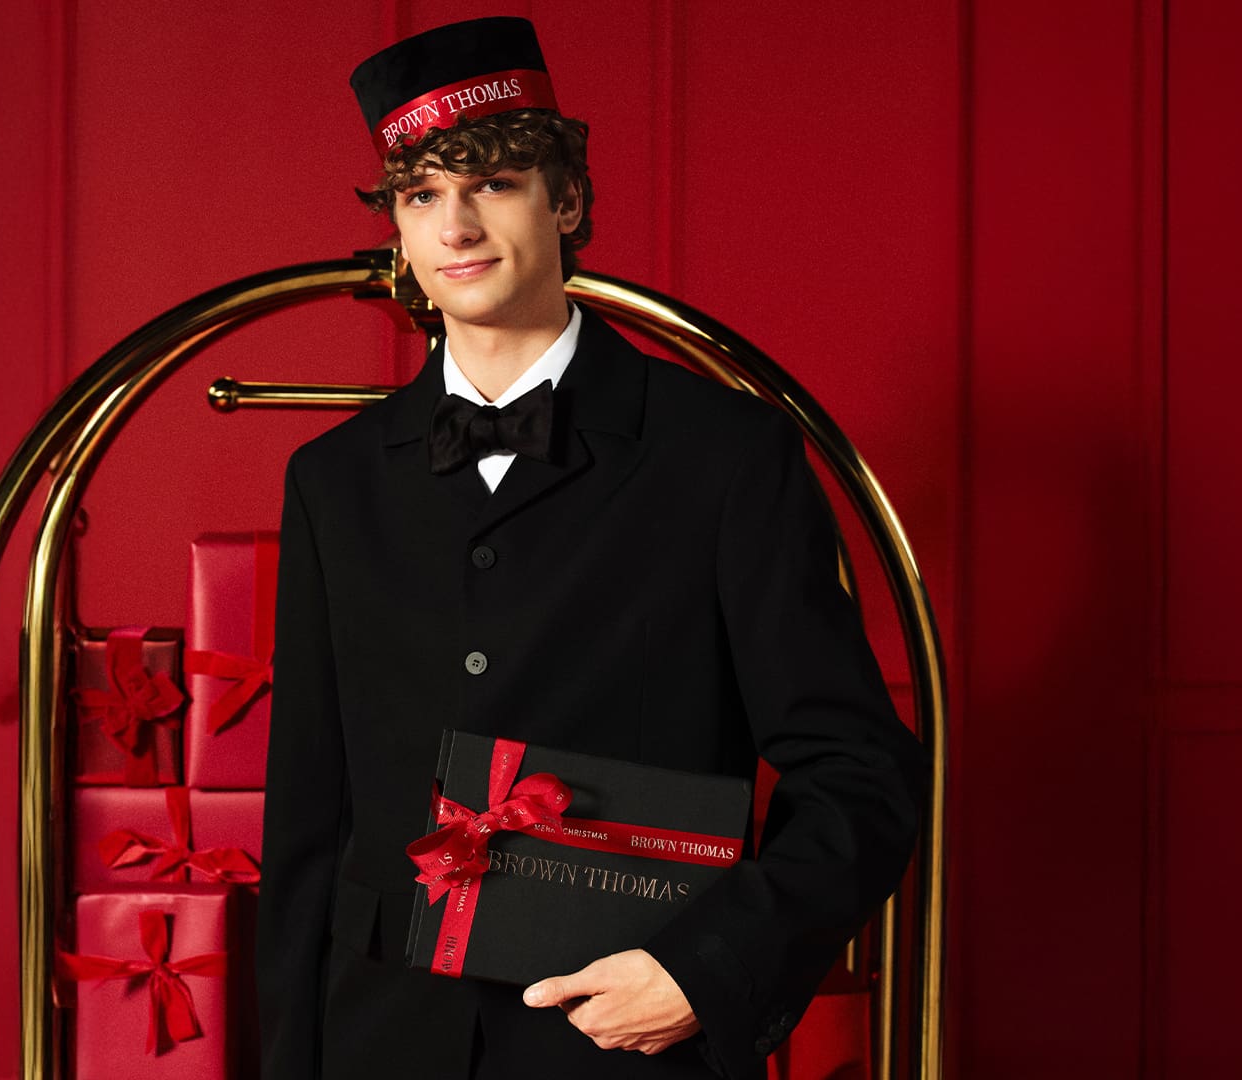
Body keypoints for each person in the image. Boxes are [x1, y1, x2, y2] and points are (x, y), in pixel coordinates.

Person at [256, 17, 926, 1080]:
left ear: (566, 200)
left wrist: (703, 972)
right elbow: (305, 828)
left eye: (495, 183)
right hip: (378, 1042)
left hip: (623, 1053)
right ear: (395, 229)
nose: (457, 226)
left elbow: (862, 776)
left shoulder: (726, 457)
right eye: (422, 194)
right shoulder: (331, 482)